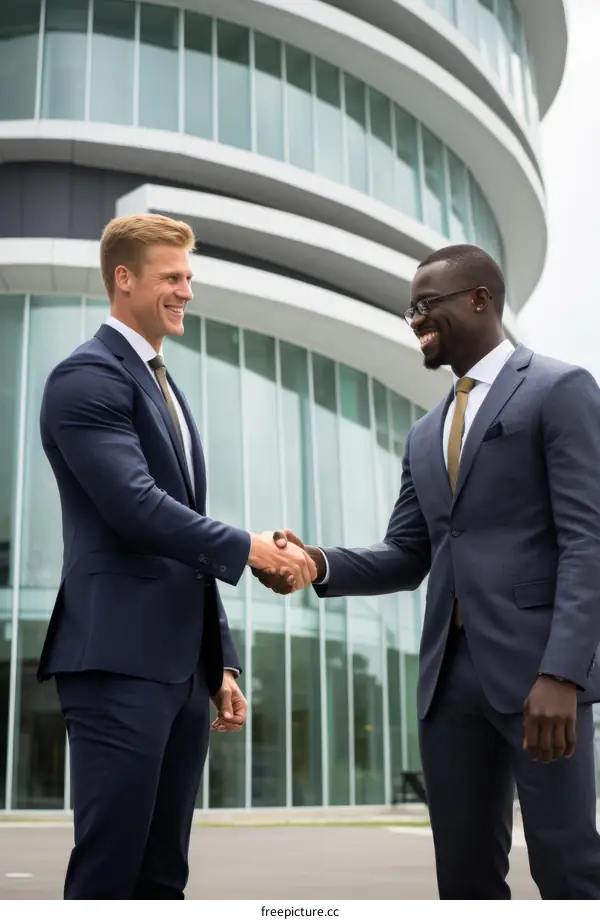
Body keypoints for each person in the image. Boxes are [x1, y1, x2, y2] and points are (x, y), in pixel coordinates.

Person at [256, 243, 600, 899]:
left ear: (480, 299)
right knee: (464, 879)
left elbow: (589, 540)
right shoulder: (424, 432)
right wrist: (315, 563)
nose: (414, 318)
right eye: (410, 308)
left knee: (569, 869)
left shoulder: (559, 390)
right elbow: (409, 554)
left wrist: (564, 672)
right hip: (449, 681)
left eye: (427, 304)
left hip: (540, 674)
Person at [38, 213, 316, 899]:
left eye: (189, 277)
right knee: (110, 873)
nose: (187, 291)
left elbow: (181, 535)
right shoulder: (85, 379)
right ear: (124, 279)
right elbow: (137, 507)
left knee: (165, 877)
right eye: (172, 277)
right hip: (117, 666)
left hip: (180, 674)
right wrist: (250, 547)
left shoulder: (166, 385)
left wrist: (218, 658)